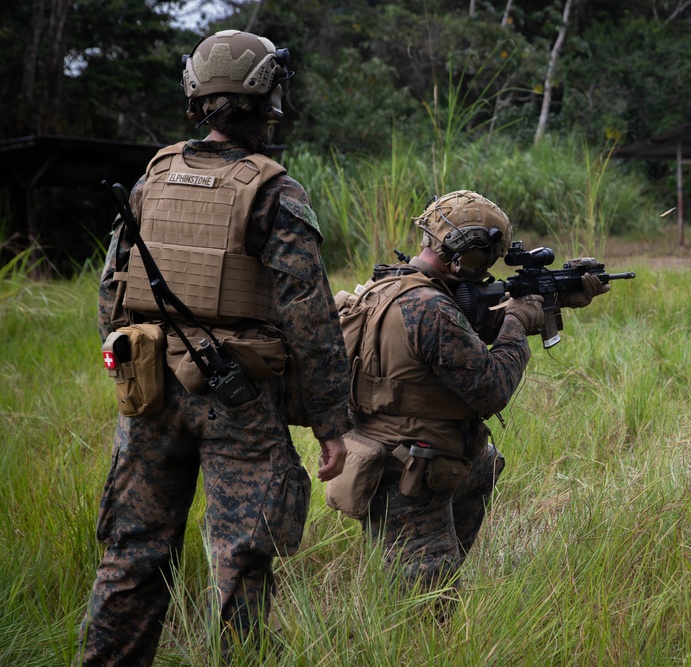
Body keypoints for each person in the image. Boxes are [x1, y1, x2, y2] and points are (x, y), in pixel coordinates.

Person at [77, 29, 351, 665]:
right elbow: (309, 316)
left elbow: (109, 290)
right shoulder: (275, 191)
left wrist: (133, 365)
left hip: (147, 390)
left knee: (130, 555)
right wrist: (332, 424)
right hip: (238, 398)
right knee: (243, 563)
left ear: (197, 95)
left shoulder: (152, 177)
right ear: (264, 100)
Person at [330, 190, 609, 600]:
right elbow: (492, 389)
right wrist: (517, 320)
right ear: (471, 253)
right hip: (410, 473)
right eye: (489, 257)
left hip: (389, 451)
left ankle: (438, 555)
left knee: (484, 464)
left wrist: (551, 300)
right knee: (428, 608)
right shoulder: (430, 307)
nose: (490, 268)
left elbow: (456, 341)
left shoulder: (388, 285)